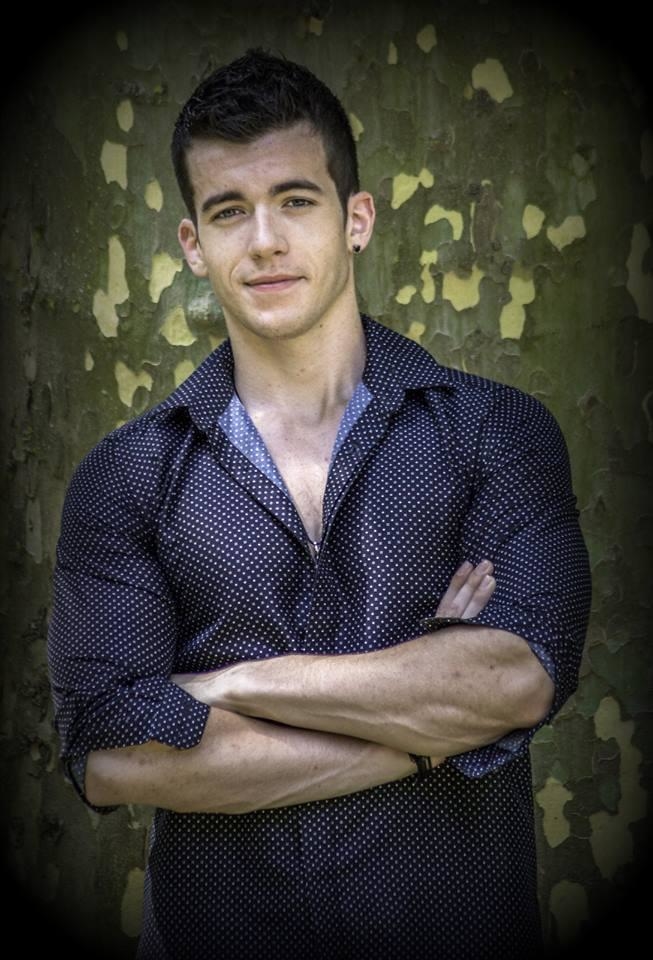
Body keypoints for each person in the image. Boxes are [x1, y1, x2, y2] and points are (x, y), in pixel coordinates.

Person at [47, 48, 591, 960]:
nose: (263, 240)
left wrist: (227, 687)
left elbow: (519, 679)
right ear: (192, 243)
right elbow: (109, 753)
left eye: (295, 200)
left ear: (355, 219)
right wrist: (427, 733)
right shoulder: (126, 475)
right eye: (228, 210)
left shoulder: (495, 432)